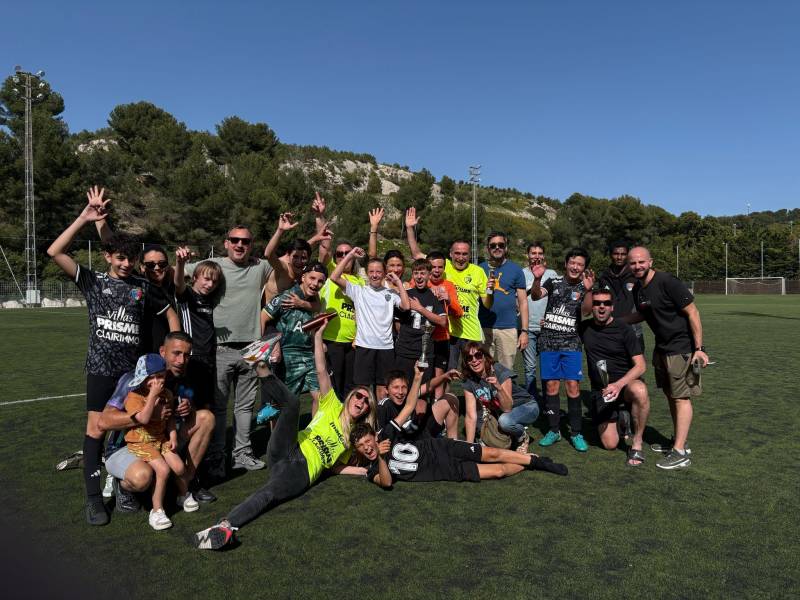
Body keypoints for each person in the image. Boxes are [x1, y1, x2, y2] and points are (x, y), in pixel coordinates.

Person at [47, 190, 174, 526]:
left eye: (129, 259)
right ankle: (93, 500)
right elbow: (54, 251)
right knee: (95, 430)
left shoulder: (143, 286)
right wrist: (86, 219)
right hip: (101, 370)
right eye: (118, 257)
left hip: (131, 373)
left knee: (131, 427)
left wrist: (175, 344)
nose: (124, 263)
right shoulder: (93, 281)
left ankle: (120, 481)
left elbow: (169, 311)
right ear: (106, 256)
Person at [193, 325, 377, 550]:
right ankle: (260, 364)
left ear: (368, 410)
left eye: (367, 402)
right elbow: (320, 369)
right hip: (287, 447)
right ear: (351, 396)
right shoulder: (332, 405)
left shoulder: (352, 439)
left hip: (301, 473)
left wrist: (363, 470)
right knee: (292, 404)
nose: (362, 402)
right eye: (359, 396)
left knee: (268, 494)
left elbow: (335, 467)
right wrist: (318, 336)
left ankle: (224, 526)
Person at [354, 364, 567, 487]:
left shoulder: (386, 432)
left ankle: (539, 462)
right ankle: (530, 462)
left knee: (492, 453)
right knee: (497, 472)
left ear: (374, 435)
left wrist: (418, 377)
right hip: (444, 470)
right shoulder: (373, 468)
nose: (367, 447)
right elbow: (387, 482)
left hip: (441, 447)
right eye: (362, 446)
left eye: (367, 441)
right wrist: (381, 457)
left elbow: (410, 404)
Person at [185, 225, 273, 476]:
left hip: (251, 349)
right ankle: (216, 457)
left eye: (245, 241)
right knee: (219, 407)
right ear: (226, 243)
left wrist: (315, 230)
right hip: (220, 349)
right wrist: (179, 263)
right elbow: (177, 275)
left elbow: (284, 260)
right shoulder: (212, 264)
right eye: (234, 240)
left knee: (245, 407)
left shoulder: (260, 266)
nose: (239, 244)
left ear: (251, 244)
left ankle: (242, 454)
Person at [99, 332, 218, 511]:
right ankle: (122, 485)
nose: (181, 360)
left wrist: (187, 408)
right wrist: (147, 415)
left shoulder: (186, 375)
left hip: (162, 440)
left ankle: (185, 483)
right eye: (176, 353)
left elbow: (181, 409)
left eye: (186, 355)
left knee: (206, 418)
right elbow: (104, 421)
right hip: (128, 445)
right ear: (162, 351)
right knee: (142, 479)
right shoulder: (134, 379)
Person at [627, 246, 708, 470]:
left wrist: (699, 348)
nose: (637, 266)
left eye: (641, 262)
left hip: (681, 348)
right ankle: (677, 442)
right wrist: (617, 321)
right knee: (671, 396)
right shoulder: (638, 289)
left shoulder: (667, 281)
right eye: (633, 263)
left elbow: (693, 311)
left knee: (681, 398)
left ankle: (680, 452)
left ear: (650, 262)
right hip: (661, 349)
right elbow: (643, 314)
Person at [405, 207, 494, 368]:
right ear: (451, 254)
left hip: (471, 332)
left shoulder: (478, 272)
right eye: (457, 253)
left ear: (469, 254)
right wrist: (410, 228)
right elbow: (416, 254)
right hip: (449, 333)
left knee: (476, 372)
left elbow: (487, 304)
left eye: (465, 254)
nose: (461, 257)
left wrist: (491, 292)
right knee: (448, 373)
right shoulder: (442, 266)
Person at [529, 248, 594, 452]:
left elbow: (585, 311)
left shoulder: (585, 286)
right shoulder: (554, 282)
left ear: (584, 268)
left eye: (580, 264)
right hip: (549, 342)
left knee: (573, 387)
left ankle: (576, 433)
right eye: (572, 263)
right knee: (551, 388)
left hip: (571, 344)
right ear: (566, 264)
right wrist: (537, 279)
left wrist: (589, 290)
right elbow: (536, 295)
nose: (575, 267)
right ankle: (554, 430)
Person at [579, 287, 650, 466]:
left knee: (640, 390)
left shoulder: (624, 329)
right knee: (610, 444)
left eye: (606, 303)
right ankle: (622, 417)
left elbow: (641, 366)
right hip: (601, 390)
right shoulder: (585, 328)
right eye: (597, 303)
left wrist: (618, 385)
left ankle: (637, 443)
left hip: (624, 386)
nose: (601, 307)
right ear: (592, 306)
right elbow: (571, 318)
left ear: (612, 307)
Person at [330, 247, 410, 400]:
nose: (375, 275)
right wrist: (350, 256)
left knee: (382, 390)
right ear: (367, 273)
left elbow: (406, 306)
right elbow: (334, 277)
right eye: (371, 271)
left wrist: (398, 282)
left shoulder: (390, 293)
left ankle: (380, 422)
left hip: (386, 347)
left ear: (384, 273)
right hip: (364, 347)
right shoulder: (359, 291)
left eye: (378, 271)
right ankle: (364, 422)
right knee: (362, 390)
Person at [123, 354, 191, 530]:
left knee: (179, 467)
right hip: (140, 441)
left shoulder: (167, 394)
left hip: (160, 439)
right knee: (163, 469)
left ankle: (183, 495)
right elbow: (143, 419)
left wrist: (173, 437)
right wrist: (152, 395)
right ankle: (157, 510)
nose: (155, 382)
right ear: (142, 378)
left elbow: (169, 419)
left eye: (159, 377)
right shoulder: (134, 397)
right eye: (150, 378)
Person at [258, 260, 328, 418]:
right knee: (286, 402)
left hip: (309, 354)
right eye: (312, 278)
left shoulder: (315, 300)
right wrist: (264, 348)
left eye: (320, 281)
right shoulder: (287, 297)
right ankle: (279, 440)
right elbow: (262, 317)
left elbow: (314, 310)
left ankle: (311, 438)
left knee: (321, 397)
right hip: (287, 355)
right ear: (303, 277)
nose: (316, 284)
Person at [460, 342, 540, 452]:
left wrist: (498, 387)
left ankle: (522, 436)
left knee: (505, 422)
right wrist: (469, 446)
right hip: (500, 411)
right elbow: (470, 416)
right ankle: (510, 436)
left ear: (484, 356)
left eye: (478, 355)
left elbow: (507, 408)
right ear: (466, 362)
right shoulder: (469, 381)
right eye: (469, 358)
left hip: (526, 406)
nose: (474, 360)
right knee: (481, 424)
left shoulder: (498, 370)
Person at [478, 232, 529, 370]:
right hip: (483, 327)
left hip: (508, 329)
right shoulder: (479, 269)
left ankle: (504, 392)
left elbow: (523, 302)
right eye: (493, 245)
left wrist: (524, 331)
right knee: (483, 370)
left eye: (501, 245)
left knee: (506, 372)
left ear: (506, 248)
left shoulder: (516, 270)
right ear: (488, 248)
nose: (497, 248)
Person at [393, 258, 446, 386]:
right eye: (416, 273)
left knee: (422, 392)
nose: (419, 276)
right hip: (404, 351)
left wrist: (420, 309)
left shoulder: (435, 297)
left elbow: (443, 322)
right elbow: (397, 323)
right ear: (412, 275)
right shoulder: (406, 294)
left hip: (425, 351)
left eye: (422, 273)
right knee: (402, 387)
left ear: (429, 275)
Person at [377, 369, 461, 441]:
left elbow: (429, 386)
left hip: (419, 435)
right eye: (396, 387)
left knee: (450, 399)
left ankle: (453, 447)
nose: (400, 392)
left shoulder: (409, 396)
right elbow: (381, 436)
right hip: (401, 446)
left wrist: (444, 377)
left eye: (404, 387)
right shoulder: (383, 406)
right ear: (386, 390)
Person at [424, 251, 464, 399]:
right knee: (423, 377)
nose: (436, 270)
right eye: (433, 267)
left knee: (440, 377)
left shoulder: (449, 285)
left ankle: (437, 411)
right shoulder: (420, 282)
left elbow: (459, 313)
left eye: (440, 267)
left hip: (442, 338)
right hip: (423, 337)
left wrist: (448, 300)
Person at [522, 242, 558, 397]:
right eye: (533, 253)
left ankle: (548, 401)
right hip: (528, 327)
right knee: (530, 367)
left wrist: (551, 319)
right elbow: (518, 299)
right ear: (528, 255)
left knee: (546, 367)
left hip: (546, 328)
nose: (536, 256)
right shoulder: (521, 273)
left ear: (544, 256)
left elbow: (557, 300)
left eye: (539, 253)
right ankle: (532, 400)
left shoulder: (552, 274)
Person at [598, 241, 644, 352]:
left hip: (633, 330)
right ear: (610, 255)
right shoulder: (604, 277)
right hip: (610, 329)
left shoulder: (636, 275)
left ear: (628, 255)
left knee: (636, 365)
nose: (619, 257)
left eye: (623, 254)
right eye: (616, 254)